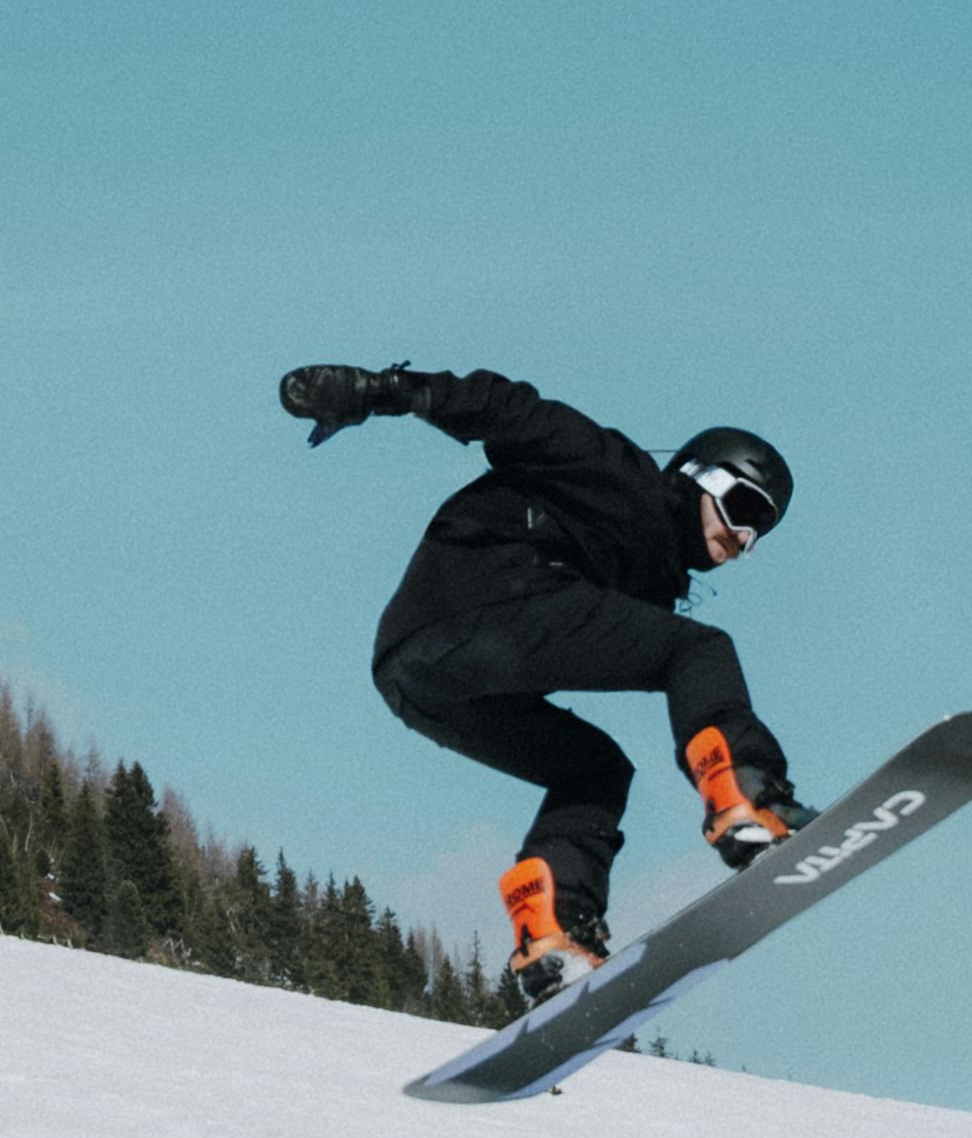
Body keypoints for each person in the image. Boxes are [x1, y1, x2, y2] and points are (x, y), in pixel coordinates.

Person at [279, 366, 809, 1010]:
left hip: (414, 677)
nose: (741, 539)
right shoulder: (616, 472)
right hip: (488, 599)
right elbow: (508, 410)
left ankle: (553, 930)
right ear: (698, 476)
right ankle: (747, 793)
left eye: (758, 534)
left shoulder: (650, 580)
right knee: (700, 651)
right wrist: (379, 391)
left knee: (595, 770)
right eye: (744, 510)